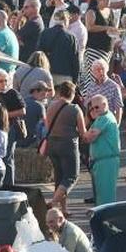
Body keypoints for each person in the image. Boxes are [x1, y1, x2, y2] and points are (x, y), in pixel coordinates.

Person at [46, 81, 87, 213]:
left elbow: (47, 127)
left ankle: (63, 209)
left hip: (52, 143)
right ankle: (53, 203)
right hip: (68, 144)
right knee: (71, 176)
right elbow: (82, 132)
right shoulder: (75, 109)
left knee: (60, 177)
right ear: (73, 94)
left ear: (60, 92)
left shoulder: (51, 106)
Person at [84, 94, 122, 204]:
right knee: (103, 194)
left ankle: (105, 219)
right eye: (92, 108)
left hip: (106, 161)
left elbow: (89, 137)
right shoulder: (103, 118)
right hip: (104, 161)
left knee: (105, 197)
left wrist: (84, 133)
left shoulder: (104, 118)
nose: (94, 110)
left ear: (105, 105)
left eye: (97, 107)